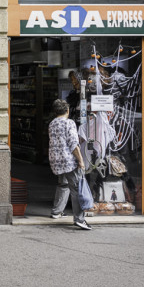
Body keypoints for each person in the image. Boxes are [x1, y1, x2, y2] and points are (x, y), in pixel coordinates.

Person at [48, 98, 92, 230]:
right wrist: (81, 160)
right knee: (77, 190)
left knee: (63, 184)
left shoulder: (52, 123)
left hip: (56, 161)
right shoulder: (69, 123)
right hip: (68, 161)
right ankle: (79, 219)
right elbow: (73, 144)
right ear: (67, 110)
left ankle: (57, 211)